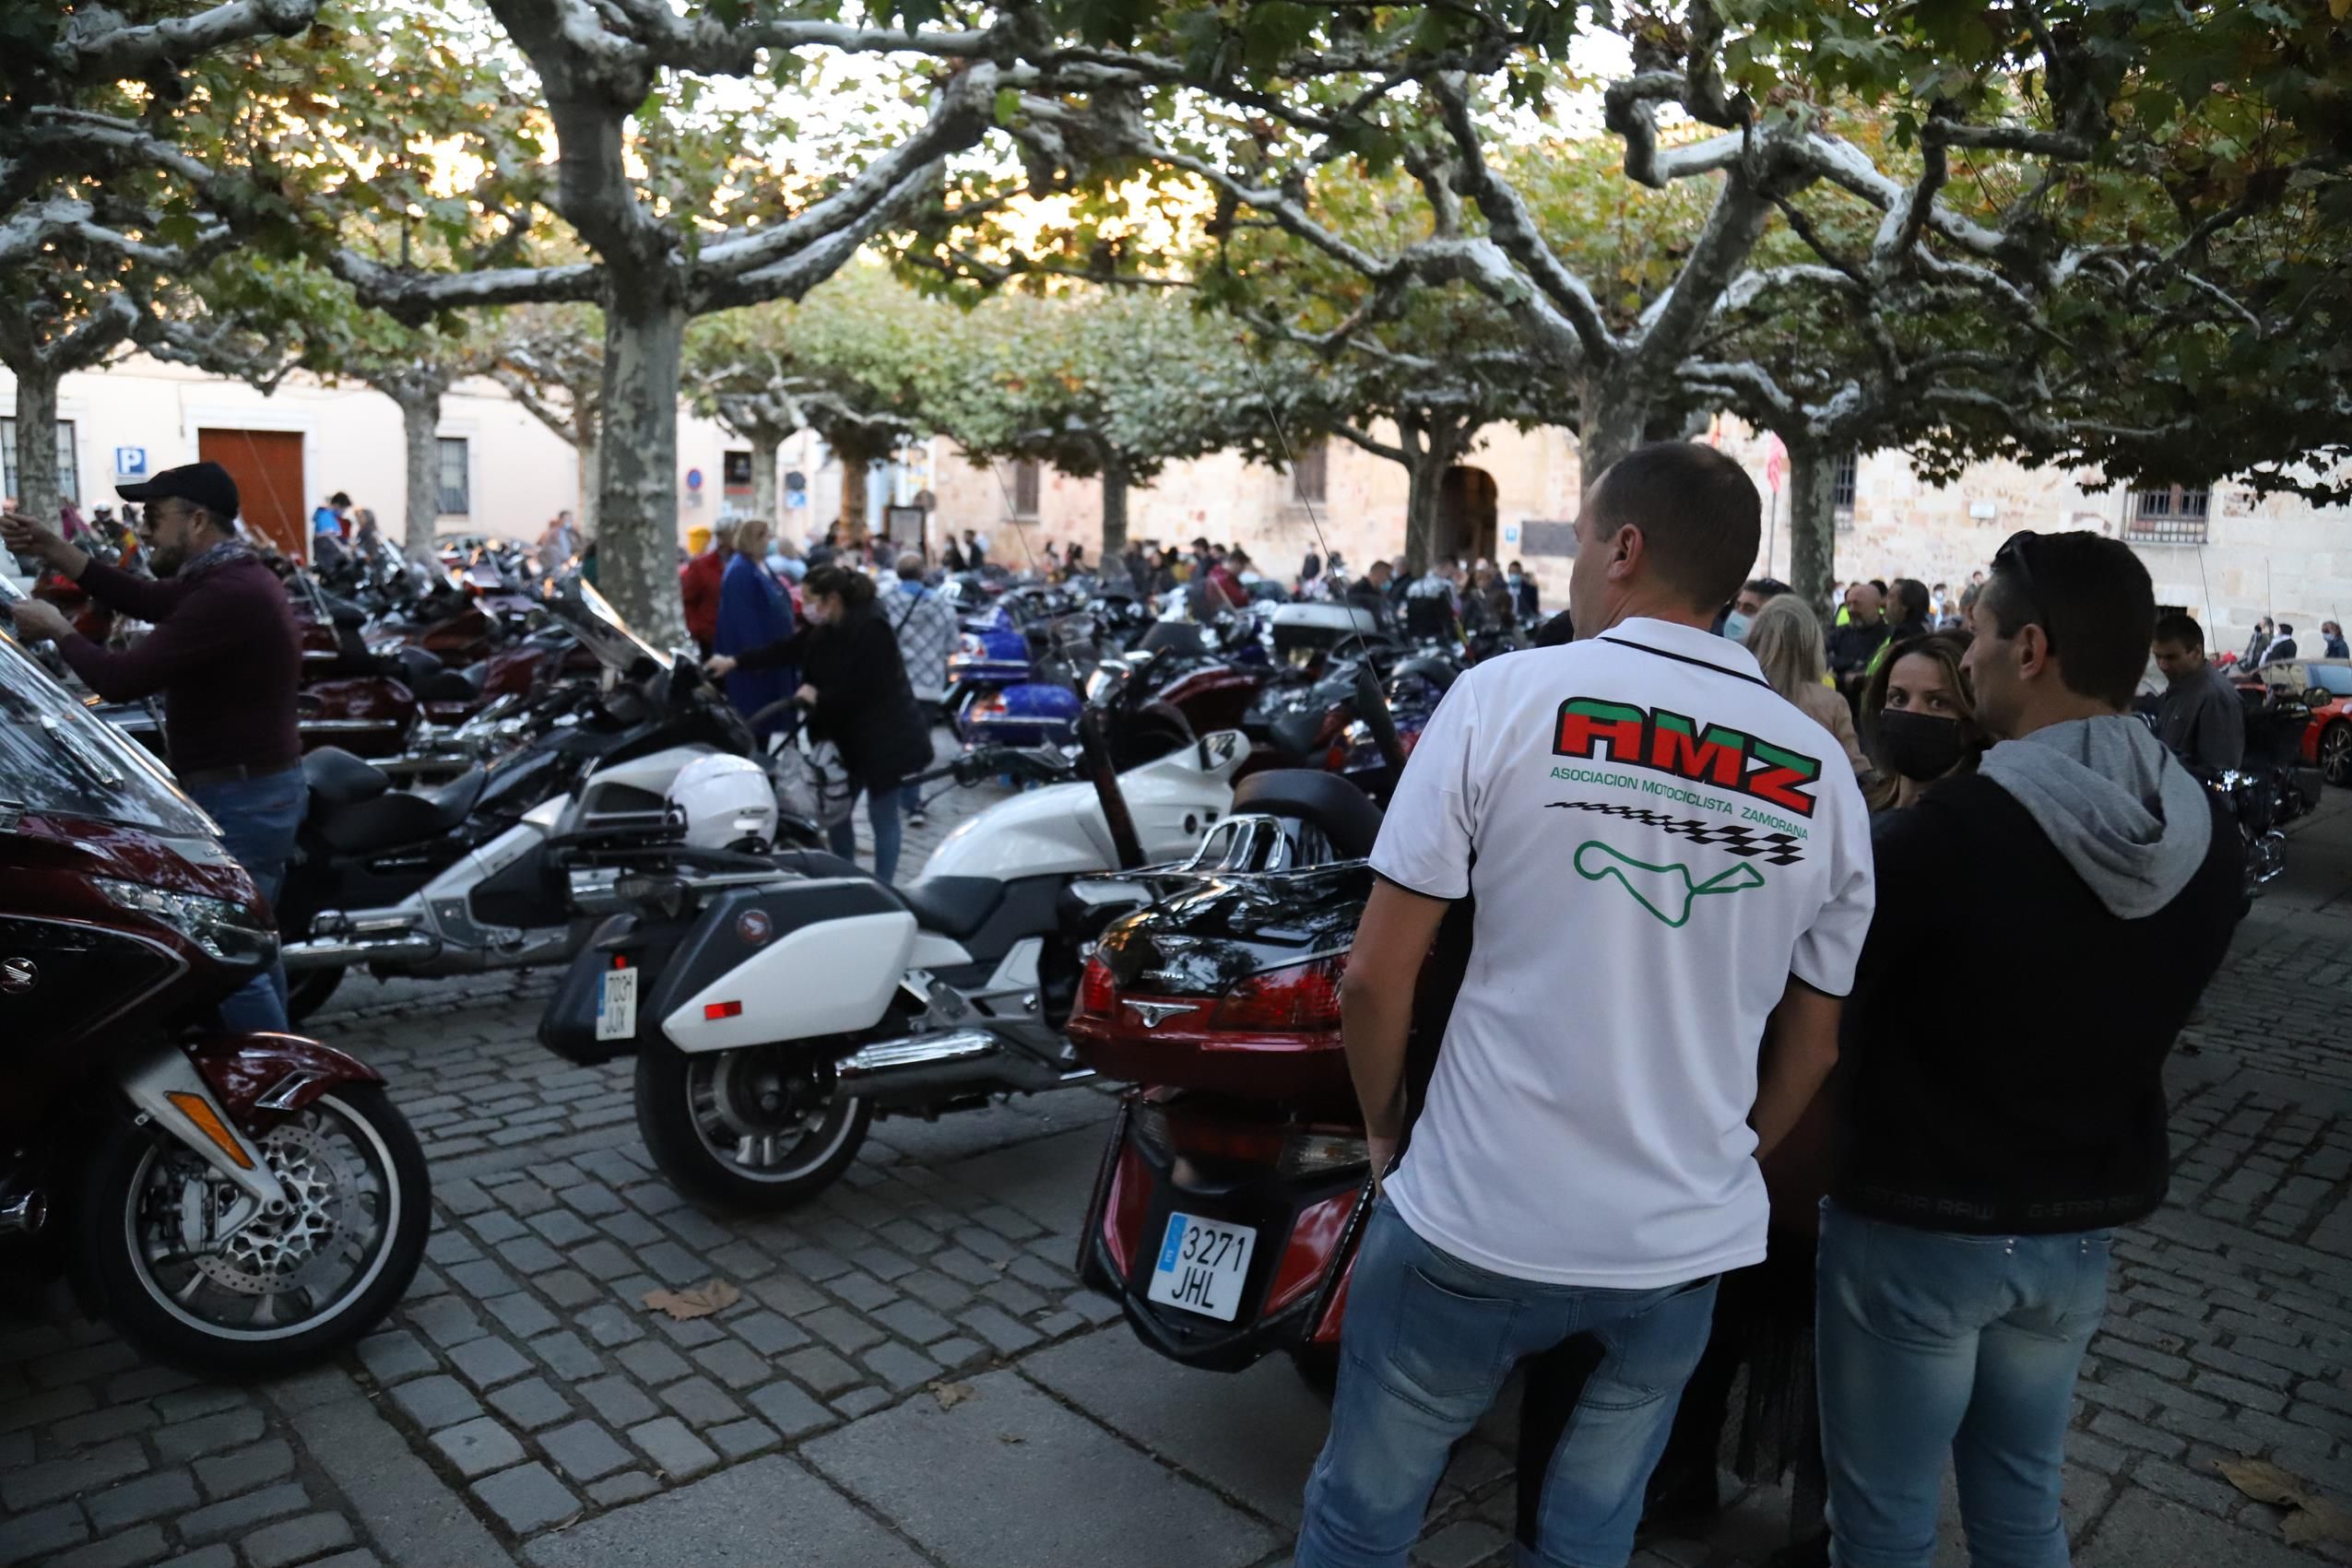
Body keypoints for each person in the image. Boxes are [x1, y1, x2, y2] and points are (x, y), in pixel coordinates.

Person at [1299, 442, 1872, 1568]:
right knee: (1589, 1533)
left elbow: (1374, 974)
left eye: (1579, 536)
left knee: (1365, 1517)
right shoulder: (1823, 776)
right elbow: (1813, 1046)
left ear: (1622, 548)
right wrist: (1724, 1158)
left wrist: (1380, 1129)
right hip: (1672, 1249)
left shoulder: (1503, 698)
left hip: (1473, 1211)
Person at [1820, 530, 2240, 1568]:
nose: (1963, 660)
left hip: (1917, 1223)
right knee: (2020, 1507)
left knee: (1882, 1524)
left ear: (2031, 649)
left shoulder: (1945, 835)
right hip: (2074, 1231)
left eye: (1976, 636)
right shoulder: (2204, 837)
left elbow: (1834, 1016)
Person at [4, 463, 304, 1031]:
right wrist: (54, 548)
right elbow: (145, 598)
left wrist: (60, 630)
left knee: (228, 956)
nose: (142, 529)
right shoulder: (222, 578)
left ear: (196, 520)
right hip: (247, 789)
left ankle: (271, 1091)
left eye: (153, 516)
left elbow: (121, 680)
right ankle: (276, 1062)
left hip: (243, 796)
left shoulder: (230, 593)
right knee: (250, 948)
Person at [705, 565, 932, 883]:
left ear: (833, 599)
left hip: (884, 740)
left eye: (811, 599)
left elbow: (869, 688)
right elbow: (787, 649)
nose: (806, 607)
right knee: (835, 812)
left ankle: (884, 889)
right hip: (840, 740)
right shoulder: (824, 629)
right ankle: (844, 880)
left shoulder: (872, 628)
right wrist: (734, 662)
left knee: (882, 816)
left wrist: (819, 697)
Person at [1746, 594, 1872, 787]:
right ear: (1812, 643)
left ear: (1756, 636)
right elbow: (1854, 768)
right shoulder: (1830, 703)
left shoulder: (1739, 691)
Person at [1857, 631, 1984, 813]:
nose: (1911, 712)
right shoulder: (1858, 800)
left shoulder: (1973, 822)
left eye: (1937, 703)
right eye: (1899, 699)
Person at [886, 552, 958, 829]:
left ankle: (891, 796)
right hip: (928, 685)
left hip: (896, 684)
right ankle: (913, 800)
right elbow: (953, 644)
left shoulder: (888, 602)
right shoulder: (941, 604)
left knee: (894, 740)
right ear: (923, 574)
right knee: (919, 742)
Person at [715, 518, 795, 739]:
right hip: (754, 663)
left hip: (772, 655)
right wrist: (756, 657)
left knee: (769, 720)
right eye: (767, 536)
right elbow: (743, 620)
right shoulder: (740, 571)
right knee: (756, 721)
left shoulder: (760, 565)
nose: (771, 541)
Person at [2152, 612, 2247, 772]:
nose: (2163, 665)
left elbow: (2219, 772)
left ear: (2196, 652)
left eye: (2171, 657)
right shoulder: (2181, 686)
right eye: (2158, 657)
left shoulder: (2216, 697)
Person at [1826, 581, 1888, 699]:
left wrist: (1839, 670)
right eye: (1848, 604)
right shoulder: (1839, 633)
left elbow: (1875, 669)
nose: (1851, 609)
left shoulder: (1888, 634)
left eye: (1857, 604)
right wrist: (1852, 665)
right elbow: (1822, 657)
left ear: (1875, 605)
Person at [680, 521, 731, 657]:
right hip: (710, 637)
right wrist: (698, 630)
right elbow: (687, 600)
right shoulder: (701, 566)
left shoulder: (745, 564)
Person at [1865, 579, 1932, 677]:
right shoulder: (1921, 630)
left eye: (1890, 597)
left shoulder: (1906, 635)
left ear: (1905, 605)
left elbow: (1887, 674)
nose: (1883, 603)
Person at [1401, 559, 1461, 641]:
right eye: (1451, 572)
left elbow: (1404, 610)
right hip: (1439, 634)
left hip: (1416, 634)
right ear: (1444, 568)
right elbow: (1456, 610)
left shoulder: (1414, 586)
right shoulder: (1446, 586)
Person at [1345, 560, 1394, 629]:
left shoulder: (1377, 591)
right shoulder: (1358, 589)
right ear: (1379, 574)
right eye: (1388, 575)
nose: (1388, 579)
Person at [538, 510, 581, 576]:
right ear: (560, 520)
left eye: (570, 519)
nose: (569, 521)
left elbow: (577, 547)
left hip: (567, 564)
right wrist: (566, 559)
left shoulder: (569, 533)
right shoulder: (554, 533)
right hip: (557, 565)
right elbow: (553, 550)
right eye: (567, 519)